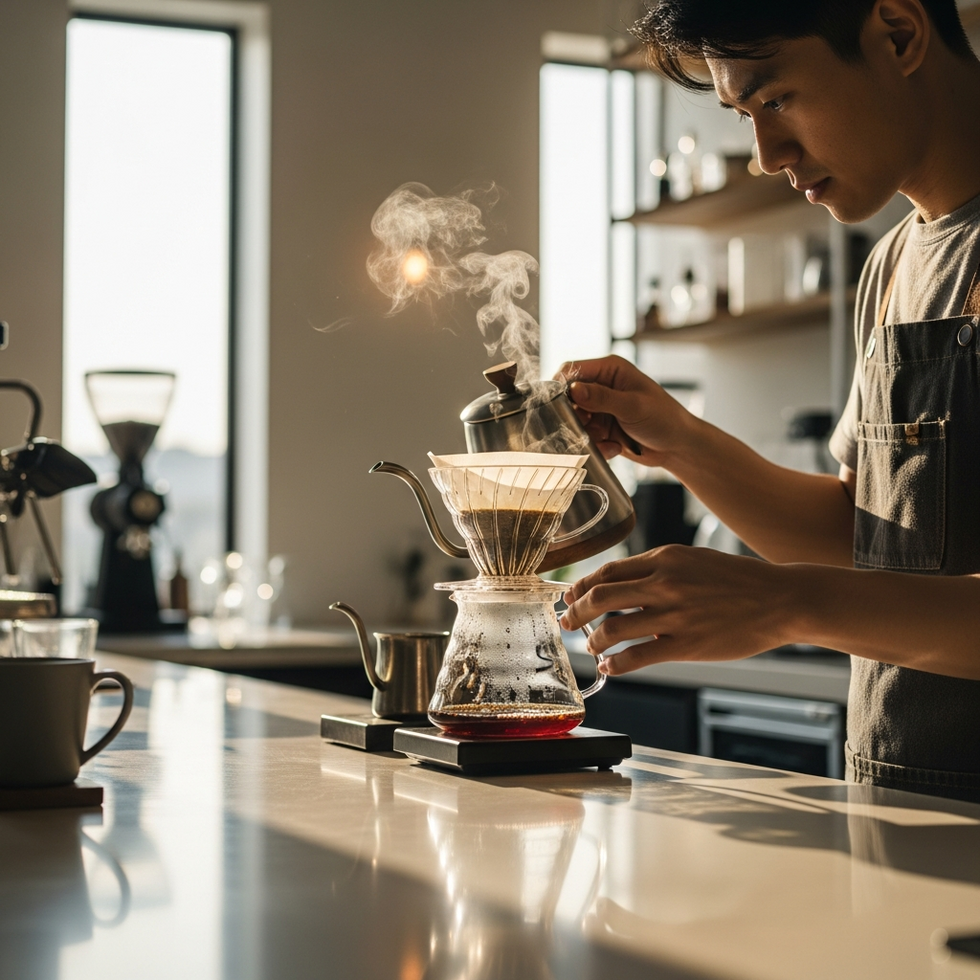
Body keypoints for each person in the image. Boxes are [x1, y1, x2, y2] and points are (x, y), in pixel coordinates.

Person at [557, 0, 980, 802]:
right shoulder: (893, 268)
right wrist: (678, 441)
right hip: (898, 809)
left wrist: (788, 605)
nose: (763, 155)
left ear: (898, 33)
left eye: (775, 98)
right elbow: (868, 536)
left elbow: (824, 582)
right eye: (743, 116)